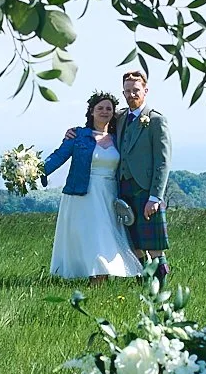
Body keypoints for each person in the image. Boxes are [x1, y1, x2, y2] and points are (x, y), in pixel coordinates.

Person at [41, 92, 146, 280]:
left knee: (106, 235)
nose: (104, 111)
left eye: (108, 108)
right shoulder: (78, 135)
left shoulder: (118, 138)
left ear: (113, 113)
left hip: (110, 195)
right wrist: (36, 171)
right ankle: (97, 277)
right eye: (100, 108)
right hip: (83, 194)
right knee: (92, 236)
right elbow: (58, 156)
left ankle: (104, 276)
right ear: (91, 111)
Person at [113, 69, 172, 280]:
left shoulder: (156, 120)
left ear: (145, 91)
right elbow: (96, 123)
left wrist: (155, 197)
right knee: (134, 245)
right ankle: (144, 287)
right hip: (124, 189)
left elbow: (163, 162)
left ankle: (161, 288)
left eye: (136, 90)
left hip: (146, 191)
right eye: (127, 91)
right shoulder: (120, 118)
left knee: (154, 248)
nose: (131, 95)